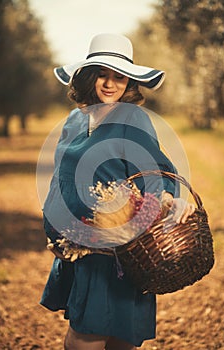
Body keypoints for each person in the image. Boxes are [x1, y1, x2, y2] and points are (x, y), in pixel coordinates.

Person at [40, 33, 195, 350]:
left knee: (92, 340)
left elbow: (157, 172)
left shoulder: (133, 118)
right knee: (100, 337)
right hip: (78, 247)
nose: (110, 84)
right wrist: (53, 230)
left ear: (129, 82)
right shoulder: (73, 120)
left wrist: (169, 201)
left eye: (119, 76)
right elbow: (60, 178)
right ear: (87, 76)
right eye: (102, 74)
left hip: (117, 254)